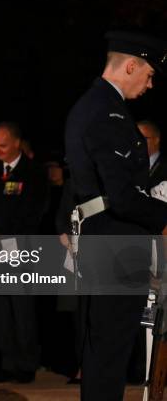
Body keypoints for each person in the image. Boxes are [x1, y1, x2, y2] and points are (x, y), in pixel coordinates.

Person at [64, 30, 167, 400]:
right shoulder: (106, 112)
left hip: (104, 237)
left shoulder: (97, 106)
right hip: (116, 239)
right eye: (149, 74)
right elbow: (123, 197)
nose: (150, 84)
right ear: (130, 65)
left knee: (103, 346)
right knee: (110, 347)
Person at [0, 122, 47, 383]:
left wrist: (4, 235)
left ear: (16, 143)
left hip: (20, 249)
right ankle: (6, 362)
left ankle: (27, 364)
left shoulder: (34, 173)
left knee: (22, 308)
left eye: (3, 145)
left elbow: (35, 212)